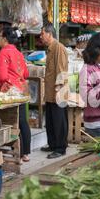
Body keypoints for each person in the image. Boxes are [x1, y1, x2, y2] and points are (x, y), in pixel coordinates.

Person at [0, 26, 31, 163]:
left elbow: (2, 76)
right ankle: (25, 153)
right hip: (21, 89)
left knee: (13, 121)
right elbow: (26, 73)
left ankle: (18, 154)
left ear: (4, 38)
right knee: (22, 120)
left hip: (10, 91)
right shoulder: (18, 53)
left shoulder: (4, 53)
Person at [40, 24, 69, 159]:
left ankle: (60, 148)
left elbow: (61, 70)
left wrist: (59, 89)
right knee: (51, 120)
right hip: (51, 92)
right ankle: (52, 144)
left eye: (42, 34)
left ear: (49, 34)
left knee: (59, 120)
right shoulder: (50, 49)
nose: (41, 37)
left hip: (58, 92)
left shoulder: (59, 48)